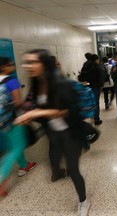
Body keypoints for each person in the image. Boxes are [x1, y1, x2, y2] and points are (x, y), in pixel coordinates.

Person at [14, 49, 90, 215]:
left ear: (44, 64)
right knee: (54, 156)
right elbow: (41, 108)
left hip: (72, 133)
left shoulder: (61, 83)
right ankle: (57, 172)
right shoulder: (37, 84)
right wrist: (30, 116)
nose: (28, 66)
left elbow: (67, 111)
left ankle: (83, 201)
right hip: (54, 132)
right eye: (26, 62)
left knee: (73, 169)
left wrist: (36, 113)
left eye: (33, 62)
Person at [0, 57, 36, 197]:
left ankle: (24, 165)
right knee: (18, 146)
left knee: (13, 144)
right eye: (10, 64)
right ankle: (1, 177)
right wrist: (25, 116)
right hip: (11, 119)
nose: (13, 66)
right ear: (5, 67)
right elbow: (18, 102)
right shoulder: (11, 81)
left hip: (1, 122)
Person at [86, 54, 104, 125]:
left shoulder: (86, 65)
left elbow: (82, 76)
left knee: (90, 102)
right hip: (96, 87)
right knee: (96, 102)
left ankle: (91, 116)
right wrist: (101, 85)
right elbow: (102, 76)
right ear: (96, 59)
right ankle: (96, 119)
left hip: (88, 86)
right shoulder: (97, 67)